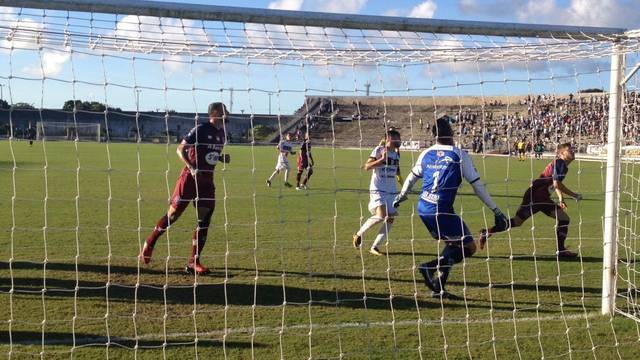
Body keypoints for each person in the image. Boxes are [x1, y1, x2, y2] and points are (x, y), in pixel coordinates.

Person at [394, 116, 507, 298]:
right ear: (452, 134)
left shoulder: (426, 153)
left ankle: (439, 288)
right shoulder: (459, 155)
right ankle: (429, 267)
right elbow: (477, 185)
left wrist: (402, 196)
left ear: (434, 136)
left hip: (423, 207)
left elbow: (411, 177)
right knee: (469, 247)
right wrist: (496, 210)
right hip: (442, 209)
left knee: (453, 244)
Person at [140, 102, 230, 275]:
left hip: (207, 182)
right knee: (173, 215)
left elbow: (209, 153)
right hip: (189, 179)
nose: (228, 113)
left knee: (204, 221)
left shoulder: (222, 133)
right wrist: (191, 167)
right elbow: (180, 149)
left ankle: (193, 262)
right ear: (216, 112)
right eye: (225, 110)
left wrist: (221, 158)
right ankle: (150, 242)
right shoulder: (200, 129)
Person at [479, 143, 582, 258]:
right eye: (569, 150)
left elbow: (555, 183)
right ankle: (561, 251)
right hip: (536, 196)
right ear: (562, 153)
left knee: (562, 219)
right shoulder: (560, 163)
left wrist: (561, 198)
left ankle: (487, 232)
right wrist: (574, 195)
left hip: (541, 197)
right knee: (520, 221)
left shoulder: (561, 165)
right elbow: (556, 183)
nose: (572, 151)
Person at [352, 129, 403, 256]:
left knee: (390, 218)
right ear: (390, 139)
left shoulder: (396, 154)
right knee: (381, 216)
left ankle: (375, 247)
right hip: (378, 189)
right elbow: (367, 167)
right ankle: (358, 234)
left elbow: (396, 171)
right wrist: (381, 160)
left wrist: (403, 186)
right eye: (398, 138)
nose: (400, 140)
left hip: (391, 191)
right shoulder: (379, 150)